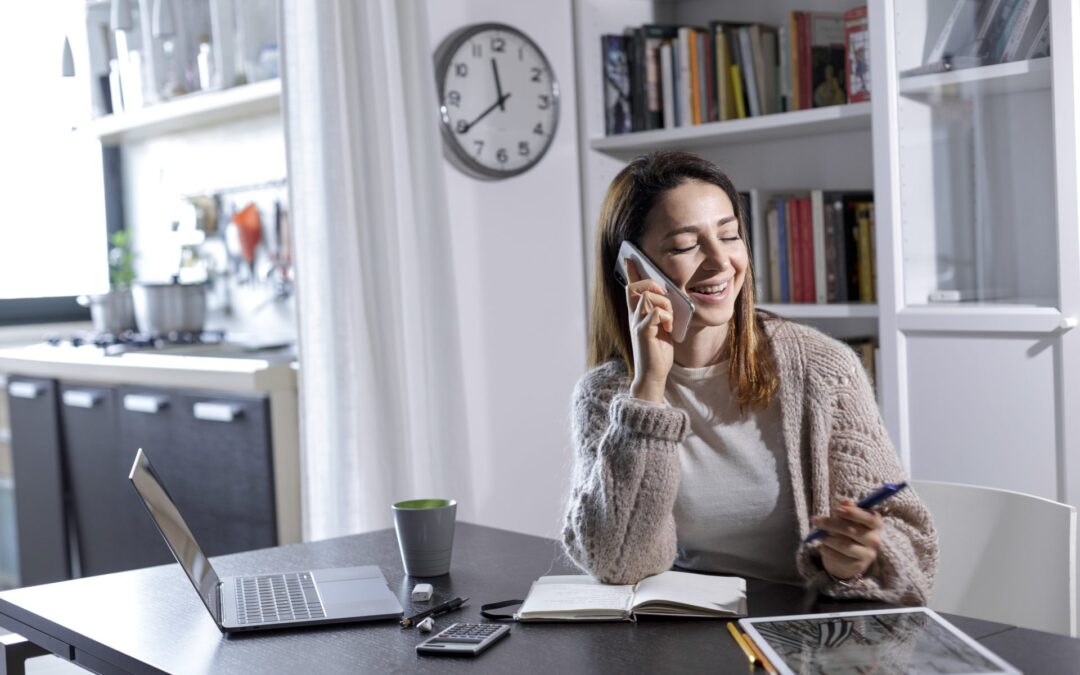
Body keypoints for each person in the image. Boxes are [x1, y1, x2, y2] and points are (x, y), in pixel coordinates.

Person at [561, 151, 936, 605]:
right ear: (633, 268)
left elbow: (910, 539)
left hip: (802, 633)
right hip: (681, 632)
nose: (720, 262)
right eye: (684, 246)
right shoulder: (609, 395)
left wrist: (857, 559)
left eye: (730, 235)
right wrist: (648, 392)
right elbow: (619, 563)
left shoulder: (823, 369)